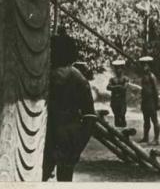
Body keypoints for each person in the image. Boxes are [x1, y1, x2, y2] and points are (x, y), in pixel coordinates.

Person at [42, 33, 97, 182]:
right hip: (69, 136)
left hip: (49, 134)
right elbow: (90, 117)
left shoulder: (44, 75)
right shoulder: (80, 79)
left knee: (42, 176)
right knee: (65, 178)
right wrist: (79, 144)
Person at [138, 56, 160, 145]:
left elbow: (155, 90)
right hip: (145, 101)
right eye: (143, 65)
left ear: (149, 66)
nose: (144, 67)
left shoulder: (152, 76)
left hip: (151, 101)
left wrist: (157, 102)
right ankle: (145, 137)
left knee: (154, 120)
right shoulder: (144, 76)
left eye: (146, 65)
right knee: (146, 120)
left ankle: (156, 139)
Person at [107, 59, 129, 128]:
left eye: (119, 68)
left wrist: (114, 87)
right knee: (116, 116)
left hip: (122, 101)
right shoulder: (112, 79)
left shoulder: (125, 78)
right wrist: (118, 86)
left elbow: (124, 88)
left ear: (122, 69)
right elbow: (108, 87)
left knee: (122, 115)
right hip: (114, 101)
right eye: (116, 68)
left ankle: (124, 133)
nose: (118, 70)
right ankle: (118, 133)